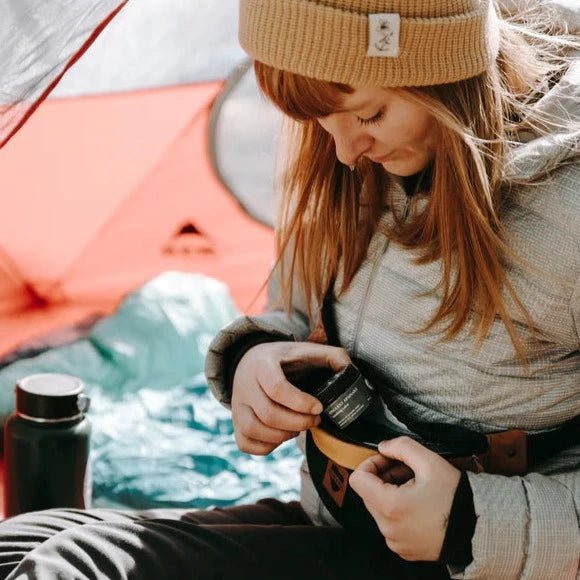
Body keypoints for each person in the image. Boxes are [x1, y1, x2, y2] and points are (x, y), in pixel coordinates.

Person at [1, 0, 579, 578]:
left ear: (445, 74)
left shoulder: (566, 211)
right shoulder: (357, 167)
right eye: (320, 123)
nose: (346, 152)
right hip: (337, 523)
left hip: (465, 560)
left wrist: (470, 523)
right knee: (20, 542)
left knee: (71, 567)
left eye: (370, 114)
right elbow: (300, 311)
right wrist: (257, 358)